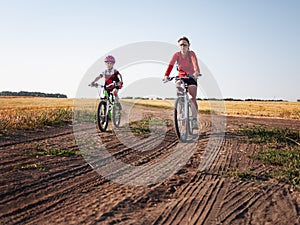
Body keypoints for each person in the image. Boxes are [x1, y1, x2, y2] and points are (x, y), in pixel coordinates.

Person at [163, 36, 201, 129]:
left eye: (184, 44)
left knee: (192, 98)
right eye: (181, 45)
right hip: (181, 76)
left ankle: (194, 120)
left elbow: (195, 63)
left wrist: (196, 72)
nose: (182, 46)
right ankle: (181, 110)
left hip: (191, 76)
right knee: (179, 86)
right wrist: (166, 75)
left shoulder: (191, 54)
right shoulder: (176, 55)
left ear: (188, 46)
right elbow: (170, 65)